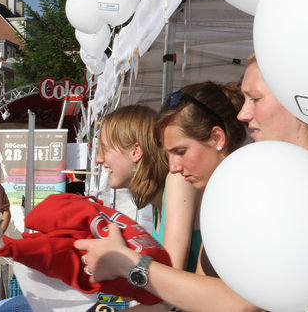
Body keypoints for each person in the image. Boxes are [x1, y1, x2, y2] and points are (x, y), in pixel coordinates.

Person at [75, 82, 253, 312]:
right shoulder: (215, 200)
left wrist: (125, 263)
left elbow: (174, 293)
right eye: (169, 153)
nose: (173, 166)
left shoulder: (188, 186)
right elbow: (189, 298)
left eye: (180, 152)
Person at [237, 53, 308, 312]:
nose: (242, 114)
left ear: (297, 103)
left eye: (254, 99)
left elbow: (247, 303)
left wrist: (137, 266)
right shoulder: (301, 180)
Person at [96, 105, 202, 272]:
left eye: (105, 148)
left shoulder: (178, 180)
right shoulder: (157, 200)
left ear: (135, 151)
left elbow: (171, 275)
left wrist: (120, 259)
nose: (99, 159)